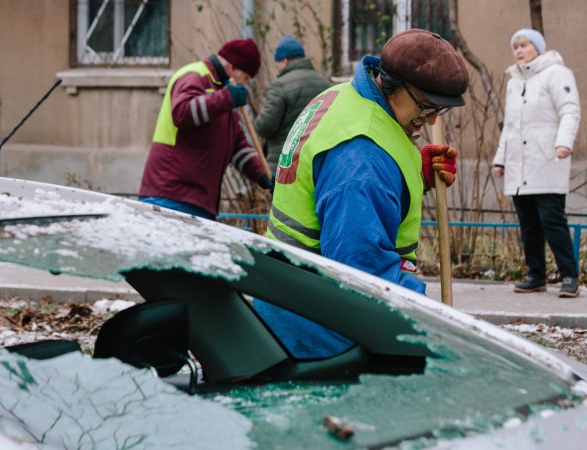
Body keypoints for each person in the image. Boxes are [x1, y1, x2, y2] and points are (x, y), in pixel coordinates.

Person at [256, 29, 468, 358]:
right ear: (395, 83)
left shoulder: (344, 97)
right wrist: (431, 318)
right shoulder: (362, 159)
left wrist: (414, 174)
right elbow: (364, 277)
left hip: (291, 303)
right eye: (426, 108)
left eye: (438, 112)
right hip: (319, 332)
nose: (428, 121)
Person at [139, 38, 273, 220]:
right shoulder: (195, 76)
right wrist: (226, 98)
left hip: (198, 201)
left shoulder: (225, 94)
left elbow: (237, 146)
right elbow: (182, 112)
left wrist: (262, 175)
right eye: (246, 78)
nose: (245, 84)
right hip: (170, 196)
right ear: (232, 68)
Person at [492, 29, 581, 297]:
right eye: (515, 46)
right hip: (519, 166)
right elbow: (509, 126)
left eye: (525, 45)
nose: (519, 50)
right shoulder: (514, 82)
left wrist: (564, 142)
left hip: (547, 160)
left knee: (552, 221)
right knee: (529, 224)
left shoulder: (557, 73)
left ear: (538, 48)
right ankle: (536, 275)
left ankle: (569, 277)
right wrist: (500, 159)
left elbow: (570, 110)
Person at [253, 35, 331, 175]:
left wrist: (257, 123)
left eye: (278, 65)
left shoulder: (281, 85)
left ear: (284, 60)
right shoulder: (325, 84)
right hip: (317, 163)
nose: (278, 69)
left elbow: (265, 126)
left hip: (285, 164)